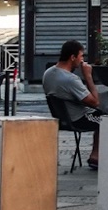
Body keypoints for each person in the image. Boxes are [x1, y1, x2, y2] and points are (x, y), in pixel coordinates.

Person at [42, 39, 102, 169]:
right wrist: (88, 77)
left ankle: (97, 155)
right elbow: (95, 102)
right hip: (77, 118)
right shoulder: (70, 79)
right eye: (81, 56)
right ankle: (96, 156)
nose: (82, 60)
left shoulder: (48, 73)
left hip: (61, 117)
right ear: (72, 57)